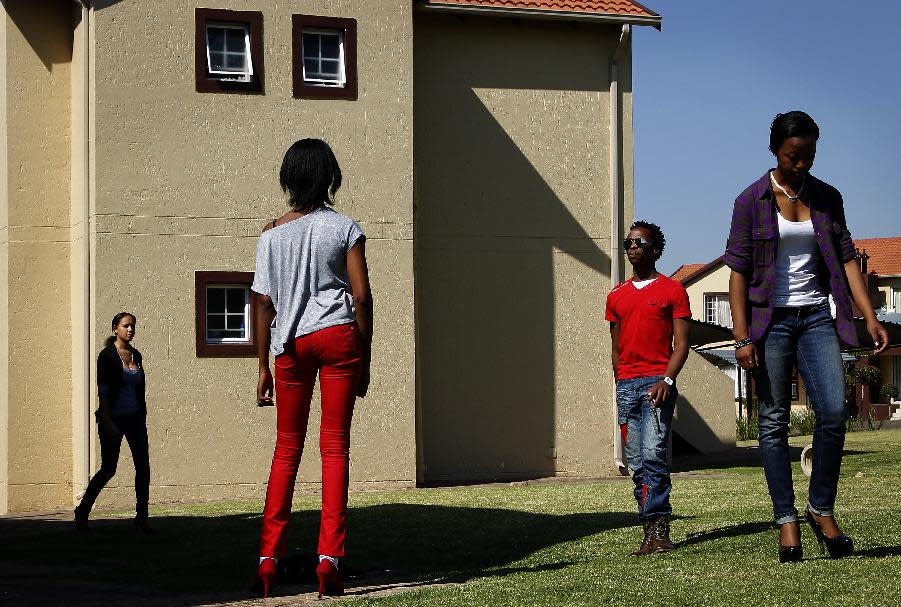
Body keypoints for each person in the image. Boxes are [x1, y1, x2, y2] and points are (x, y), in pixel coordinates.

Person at [725, 111, 888, 562]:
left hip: (818, 315)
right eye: (794, 156)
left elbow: (848, 258)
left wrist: (868, 315)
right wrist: (742, 337)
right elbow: (737, 272)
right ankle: (787, 520)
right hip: (769, 321)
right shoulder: (750, 201)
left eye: (809, 156)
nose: (802, 165)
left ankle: (820, 508)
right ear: (776, 150)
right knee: (774, 422)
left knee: (834, 412)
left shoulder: (827, 197)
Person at [252, 138, 373, 598]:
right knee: (334, 448)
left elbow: (263, 301)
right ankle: (329, 560)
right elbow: (360, 296)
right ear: (329, 178)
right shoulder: (344, 228)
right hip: (337, 336)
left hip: (289, 345)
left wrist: (261, 366)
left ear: (288, 179)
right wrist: (365, 357)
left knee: (286, 450)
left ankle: (268, 561)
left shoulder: (270, 235)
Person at [606, 220, 691, 555]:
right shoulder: (616, 296)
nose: (632, 248)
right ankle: (647, 531)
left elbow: (681, 344)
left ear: (656, 250)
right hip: (627, 386)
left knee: (654, 454)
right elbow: (616, 347)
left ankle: (660, 530)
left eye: (639, 242)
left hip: (658, 384)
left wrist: (667, 380)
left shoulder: (673, 291)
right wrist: (619, 380)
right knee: (637, 461)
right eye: (628, 243)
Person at [74, 312, 154, 534]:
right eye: (126, 326)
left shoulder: (136, 355)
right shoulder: (107, 356)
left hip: (135, 418)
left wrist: (143, 413)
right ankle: (82, 511)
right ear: (115, 329)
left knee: (143, 467)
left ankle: (142, 517)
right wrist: (107, 419)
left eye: (133, 326)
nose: (130, 329)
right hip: (114, 419)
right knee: (109, 468)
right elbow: (104, 390)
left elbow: (141, 388)